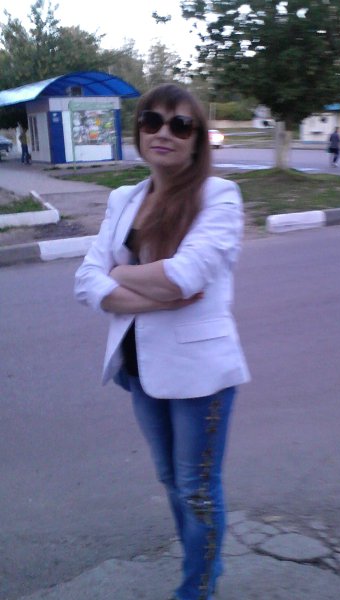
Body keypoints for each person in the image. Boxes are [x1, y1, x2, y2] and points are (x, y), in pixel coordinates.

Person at [74, 83, 250, 600]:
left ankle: (198, 587)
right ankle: (202, 562)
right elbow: (86, 281)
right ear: (139, 132)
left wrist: (117, 275)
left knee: (196, 488)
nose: (164, 132)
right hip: (139, 369)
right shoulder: (124, 199)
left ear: (197, 140)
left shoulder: (218, 196)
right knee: (172, 479)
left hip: (200, 376)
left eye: (180, 124)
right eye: (152, 121)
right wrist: (149, 294)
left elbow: (185, 276)